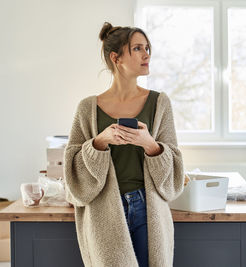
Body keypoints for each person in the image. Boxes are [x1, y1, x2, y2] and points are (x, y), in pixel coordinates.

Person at [63, 22, 185, 267]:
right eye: (138, 48)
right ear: (116, 58)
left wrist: (150, 145)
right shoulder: (87, 108)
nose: (146, 54)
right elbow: (72, 171)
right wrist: (99, 142)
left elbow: (175, 166)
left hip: (147, 209)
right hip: (105, 212)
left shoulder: (160, 102)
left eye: (147, 48)